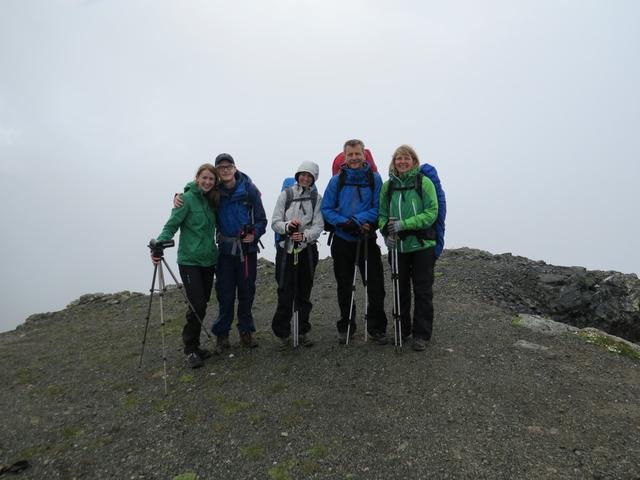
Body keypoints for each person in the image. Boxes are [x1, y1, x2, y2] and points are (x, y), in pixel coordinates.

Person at [175, 153, 267, 352]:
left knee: (246, 293)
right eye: (221, 167)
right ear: (217, 171)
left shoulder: (249, 190)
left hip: (247, 251)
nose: (225, 170)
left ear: (235, 168)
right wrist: (179, 196)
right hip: (224, 253)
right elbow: (195, 193)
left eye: (229, 166)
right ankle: (222, 334)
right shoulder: (213, 193)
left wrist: (255, 233)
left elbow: (261, 219)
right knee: (225, 294)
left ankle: (246, 332)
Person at [321, 139, 388, 344]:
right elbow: (327, 208)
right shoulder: (336, 181)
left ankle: (376, 328)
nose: (354, 158)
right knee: (344, 285)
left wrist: (358, 221)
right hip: (342, 240)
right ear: (345, 156)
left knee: (375, 285)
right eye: (350, 155)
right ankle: (347, 326)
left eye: (357, 154)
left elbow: (379, 207)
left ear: (363, 154)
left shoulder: (374, 179)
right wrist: (344, 223)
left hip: (366, 238)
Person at [153, 163, 219, 368]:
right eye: (204, 178)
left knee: (202, 303)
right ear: (197, 178)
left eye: (211, 179)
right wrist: (158, 245)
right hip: (189, 261)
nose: (207, 182)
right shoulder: (186, 199)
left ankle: (196, 346)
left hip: (209, 260)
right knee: (196, 303)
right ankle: (190, 348)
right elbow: (172, 224)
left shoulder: (212, 201)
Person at [379, 145, 438, 351]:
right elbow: (382, 214)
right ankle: (401, 330)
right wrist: (386, 233)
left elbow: (432, 212)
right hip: (398, 248)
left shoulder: (424, 182)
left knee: (422, 291)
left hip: (422, 245)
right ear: (393, 162)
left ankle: (421, 335)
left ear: (413, 160)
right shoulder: (388, 187)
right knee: (399, 289)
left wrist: (405, 224)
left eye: (406, 158)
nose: (402, 162)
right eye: (398, 159)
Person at [271, 161, 324, 349]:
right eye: (303, 174)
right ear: (297, 175)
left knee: (304, 291)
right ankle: (282, 332)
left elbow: (318, 225)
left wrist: (305, 236)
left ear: (314, 179)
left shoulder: (317, 198)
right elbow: (275, 221)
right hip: (286, 249)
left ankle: (302, 331)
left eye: (309, 176)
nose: (305, 178)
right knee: (285, 290)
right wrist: (287, 227)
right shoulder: (286, 194)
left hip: (307, 250)